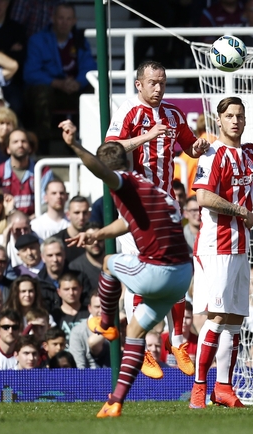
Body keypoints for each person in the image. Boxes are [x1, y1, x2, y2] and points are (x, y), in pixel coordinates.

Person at [59, 119, 193, 418]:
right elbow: (127, 222)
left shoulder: (123, 180)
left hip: (159, 272)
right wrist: (96, 234)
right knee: (134, 331)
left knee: (108, 262)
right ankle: (115, 402)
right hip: (182, 277)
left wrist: (74, 145)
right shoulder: (150, 188)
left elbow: (102, 170)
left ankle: (106, 323)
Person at [105, 60, 209, 377]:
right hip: (135, 204)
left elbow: (190, 147)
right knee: (141, 273)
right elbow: (109, 150)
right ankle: (143, 347)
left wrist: (199, 146)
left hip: (166, 204)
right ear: (139, 84)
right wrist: (145, 137)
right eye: (153, 82)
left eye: (162, 82)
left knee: (176, 270)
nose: (159, 88)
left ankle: (177, 342)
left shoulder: (174, 114)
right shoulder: (128, 111)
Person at [189, 96, 253, 409]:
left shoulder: (248, 153)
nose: (235, 121)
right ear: (219, 120)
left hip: (240, 246)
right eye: (229, 116)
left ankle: (223, 388)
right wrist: (240, 210)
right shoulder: (211, 154)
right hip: (215, 246)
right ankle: (199, 387)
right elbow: (204, 197)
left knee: (234, 320)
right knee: (216, 316)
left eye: (240, 116)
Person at [23, 3, 96, 143]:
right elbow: (30, 73)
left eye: (68, 19)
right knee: (42, 92)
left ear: (74, 21)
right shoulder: (37, 40)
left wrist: (78, 82)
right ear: (53, 18)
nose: (64, 22)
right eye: (61, 18)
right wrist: (57, 83)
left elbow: (89, 68)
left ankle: (87, 141)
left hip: (73, 89)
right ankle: (44, 144)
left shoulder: (80, 40)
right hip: (49, 90)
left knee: (93, 90)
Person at [0, 128, 52, 216]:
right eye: (15, 142)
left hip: (37, 220)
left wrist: (32, 219)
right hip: (7, 220)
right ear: (8, 149)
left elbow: (48, 202)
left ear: (30, 148)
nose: (20, 145)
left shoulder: (43, 170)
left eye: (24, 141)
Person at [68, 291, 111, 369]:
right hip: (91, 375)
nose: (101, 311)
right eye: (97, 307)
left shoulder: (121, 325)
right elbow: (79, 367)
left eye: (105, 306)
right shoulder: (78, 331)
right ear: (90, 308)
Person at [51, 195, 89, 262]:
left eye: (85, 212)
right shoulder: (57, 241)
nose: (81, 217)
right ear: (68, 215)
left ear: (89, 214)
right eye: (77, 213)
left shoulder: (96, 239)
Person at [68, 222, 104, 295]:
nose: (95, 242)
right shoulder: (75, 267)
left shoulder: (113, 262)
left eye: (99, 238)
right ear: (83, 241)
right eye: (90, 239)